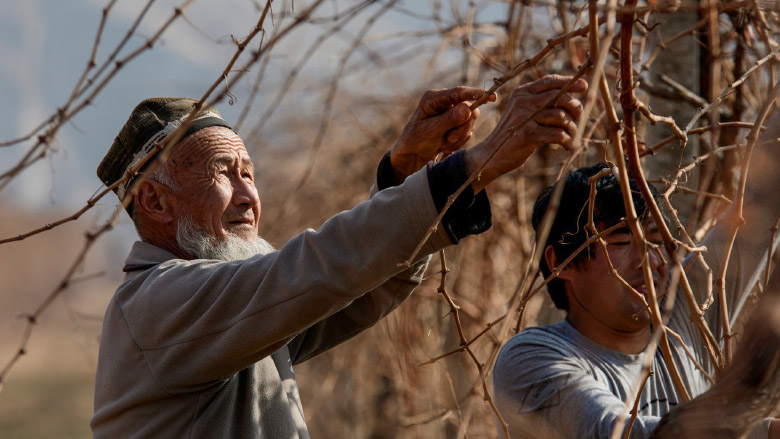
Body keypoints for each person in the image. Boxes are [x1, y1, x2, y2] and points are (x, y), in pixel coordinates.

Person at [90, 75, 588, 438]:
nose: (248, 196)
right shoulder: (156, 308)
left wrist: (404, 174)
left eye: (250, 173)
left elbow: (357, 290)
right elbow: (317, 270)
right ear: (155, 201)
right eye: (224, 173)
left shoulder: (228, 316)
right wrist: (474, 164)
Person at [492, 109, 780, 438]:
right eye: (622, 240)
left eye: (656, 240)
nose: (650, 259)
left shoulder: (684, 318)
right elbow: (614, 432)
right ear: (562, 262)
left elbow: (762, 200)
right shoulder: (531, 360)